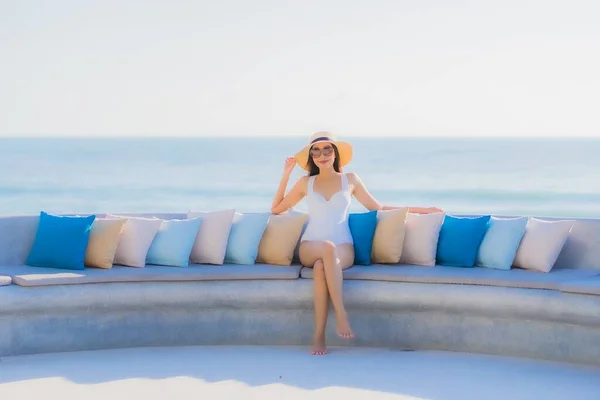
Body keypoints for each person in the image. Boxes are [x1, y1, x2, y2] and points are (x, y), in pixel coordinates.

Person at [270, 132, 442, 355]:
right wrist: (286, 175)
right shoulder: (305, 183)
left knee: (324, 265)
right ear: (311, 156)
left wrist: (424, 210)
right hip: (310, 246)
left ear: (335, 153)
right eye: (316, 150)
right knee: (326, 250)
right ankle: (341, 314)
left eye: (327, 149)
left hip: (344, 248)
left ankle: (319, 335)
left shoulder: (349, 180)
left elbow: (377, 207)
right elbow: (276, 209)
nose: (322, 155)